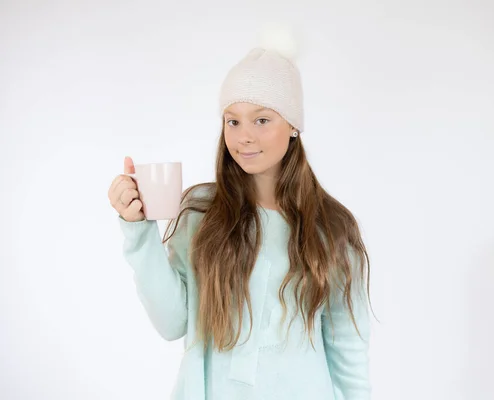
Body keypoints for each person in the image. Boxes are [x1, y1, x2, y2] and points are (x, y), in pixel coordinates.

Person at [107, 40, 373, 400]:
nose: (244, 136)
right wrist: (138, 229)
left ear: (293, 125)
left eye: (262, 119)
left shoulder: (332, 228)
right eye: (233, 121)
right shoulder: (203, 212)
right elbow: (171, 323)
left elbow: (349, 355)